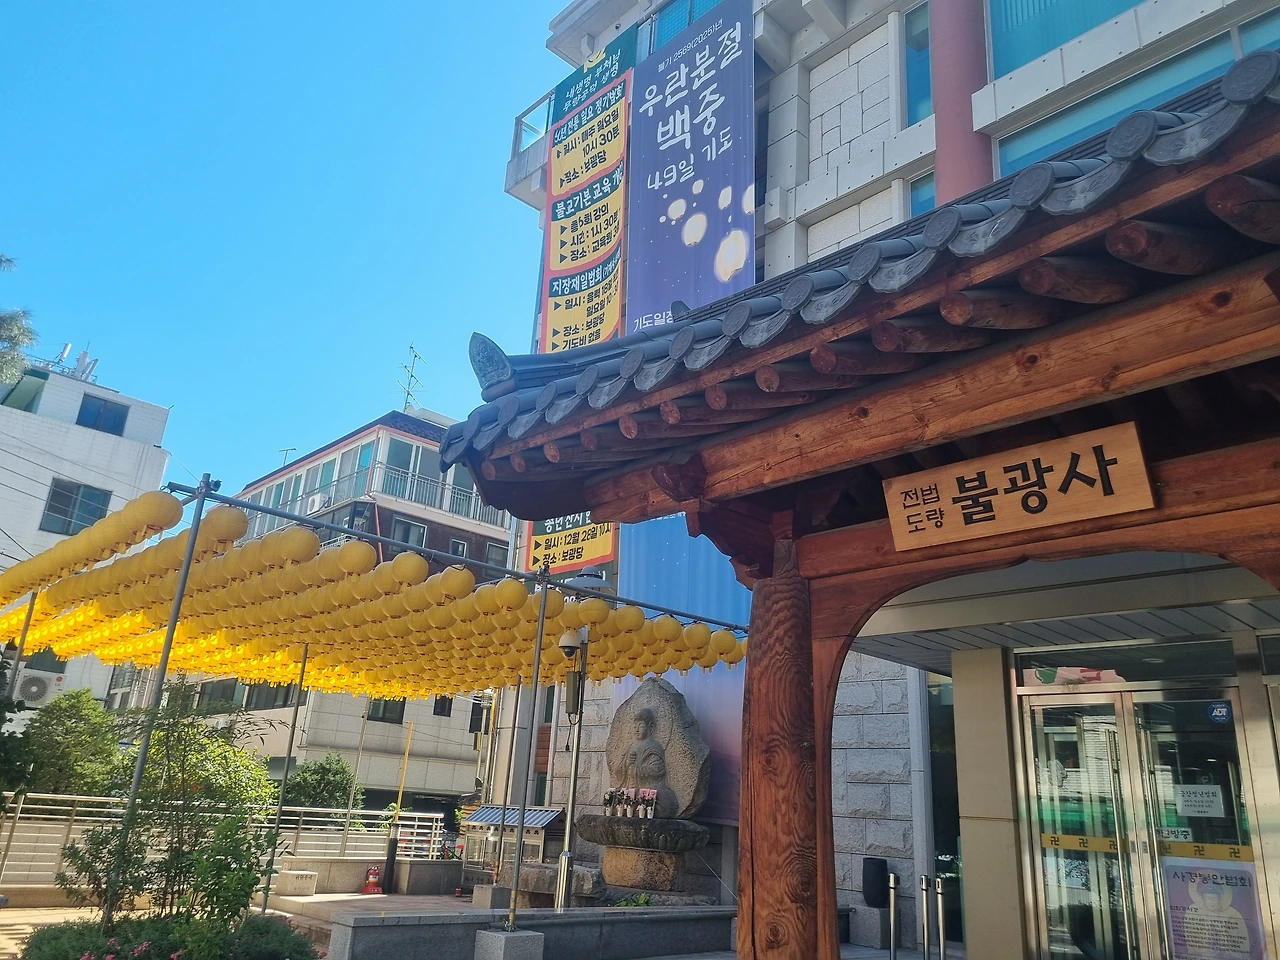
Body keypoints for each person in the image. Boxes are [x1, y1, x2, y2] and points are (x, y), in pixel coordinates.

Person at [618, 708, 678, 818]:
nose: (636, 730)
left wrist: (636, 770)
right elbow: (618, 772)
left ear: (650, 727)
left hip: (648, 789)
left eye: (640, 726)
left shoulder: (653, 746)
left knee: (663, 805)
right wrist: (626, 764)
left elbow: (658, 770)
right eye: (635, 726)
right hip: (630, 789)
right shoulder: (630, 747)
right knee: (616, 802)